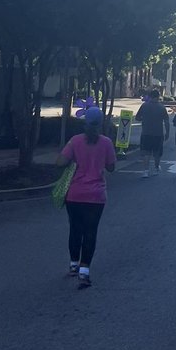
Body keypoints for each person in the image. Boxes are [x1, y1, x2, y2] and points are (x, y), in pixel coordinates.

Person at [56, 106, 117, 289]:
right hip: (96, 195)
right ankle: (85, 271)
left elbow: (60, 162)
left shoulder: (75, 141)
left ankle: (73, 264)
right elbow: (112, 167)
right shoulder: (106, 143)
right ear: (101, 124)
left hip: (74, 194)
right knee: (90, 232)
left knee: (75, 229)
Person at [135, 89, 169, 178]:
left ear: (150, 96)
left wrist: (144, 119)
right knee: (157, 153)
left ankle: (145, 171)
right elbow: (166, 121)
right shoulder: (162, 107)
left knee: (146, 152)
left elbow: (137, 118)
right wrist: (167, 133)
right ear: (158, 97)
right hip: (158, 133)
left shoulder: (144, 106)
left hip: (146, 132)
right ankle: (156, 168)